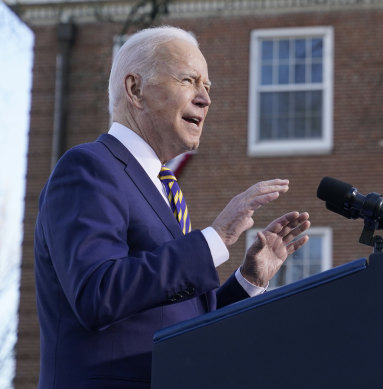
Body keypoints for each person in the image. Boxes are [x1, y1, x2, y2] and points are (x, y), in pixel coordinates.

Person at [34, 25, 310, 389]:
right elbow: (96, 293)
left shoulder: (165, 191)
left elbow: (187, 327)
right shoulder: (89, 168)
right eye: (188, 81)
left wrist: (248, 280)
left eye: (207, 87)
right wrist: (216, 237)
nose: (205, 99)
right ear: (135, 90)